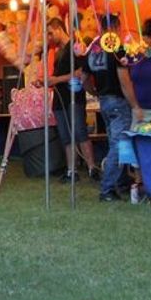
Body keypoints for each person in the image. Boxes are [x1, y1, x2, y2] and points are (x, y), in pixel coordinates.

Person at [86, 13, 138, 202]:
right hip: (118, 101)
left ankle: (121, 182)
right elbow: (125, 81)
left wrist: (95, 92)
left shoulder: (92, 48)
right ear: (115, 27)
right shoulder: (116, 47)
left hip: (105, 102)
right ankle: (107, 189)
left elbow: (83, 78)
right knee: (119, 144)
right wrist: (135, 105)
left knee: (114, 142)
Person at [45, 17, 98, 182]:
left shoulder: (75, 46)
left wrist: (57, 79)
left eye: (50, 33)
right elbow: (57, 76)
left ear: (59, 29)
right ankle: (71, 171)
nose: (49, 37)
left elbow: (81, 72)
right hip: (60, 99)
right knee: (65, 136)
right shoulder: (58, 52)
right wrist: (45, 81)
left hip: (74, 96)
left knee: (80, 132)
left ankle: (91, 168)